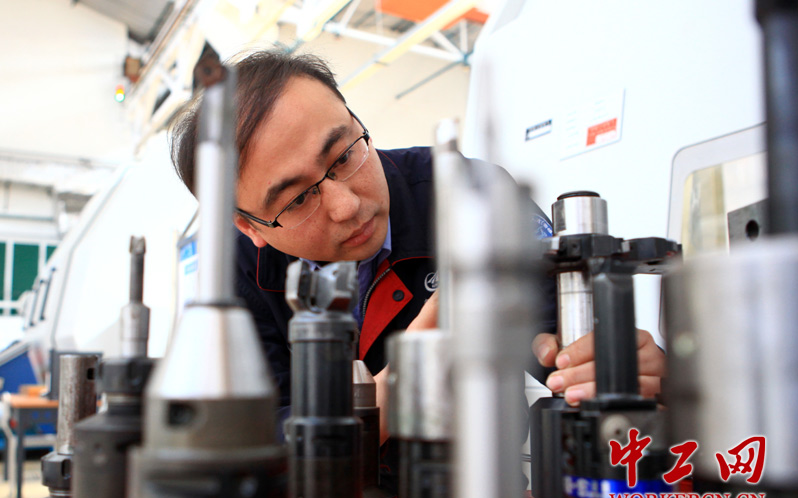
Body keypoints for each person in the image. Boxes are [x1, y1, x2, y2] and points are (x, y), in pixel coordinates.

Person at [170, 50, 665, 447]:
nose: (346, 205)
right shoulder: (234, 274)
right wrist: (395, 390)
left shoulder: (472, 196)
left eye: (343, 155)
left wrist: (625, 369)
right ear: (249, 226)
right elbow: (249, 439)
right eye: (298, 199)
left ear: (356, 119)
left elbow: (571, 349)